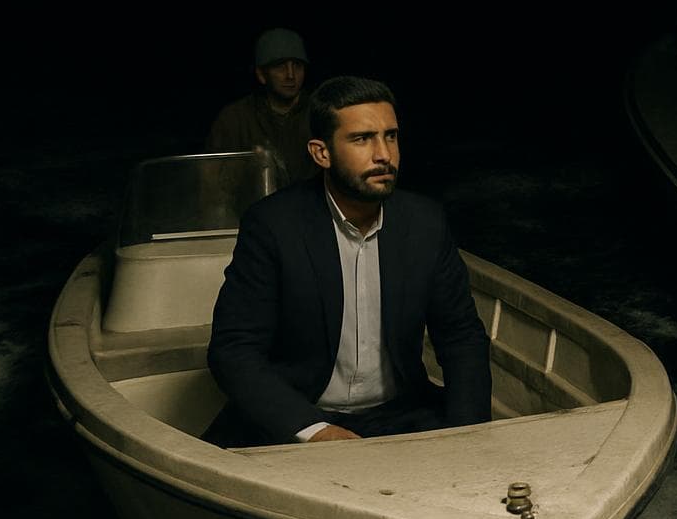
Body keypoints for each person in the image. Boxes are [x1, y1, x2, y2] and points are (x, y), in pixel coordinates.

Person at [204, 76, 492, 446]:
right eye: (362, 139)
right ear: (321, 153)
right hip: (302, 413)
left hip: (401, 413)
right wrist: (315, 431)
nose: (384, 154)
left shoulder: (424, 222)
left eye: (390, 136)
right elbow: (234, 350)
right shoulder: (273, 225)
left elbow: (461, 336)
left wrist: (467, 432)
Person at [206, 27, 319, 185]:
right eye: (280, 67)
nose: (291, 75)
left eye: (298, 66)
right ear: (261, 75)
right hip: (252, 206)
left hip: (310, 207)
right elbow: (213, 180)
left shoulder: (319, 112)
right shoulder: (234, 118)